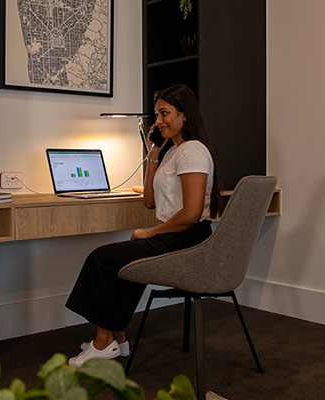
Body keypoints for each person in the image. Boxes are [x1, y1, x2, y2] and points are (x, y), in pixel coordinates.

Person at [66, 84, 221, 367]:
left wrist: (151, 232)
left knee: (102, 259)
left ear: (185, 116)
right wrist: (153, 154)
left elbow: (191, 213)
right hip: (176, 235)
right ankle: (118, 338)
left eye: (165, 113)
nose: (158, 121)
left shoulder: (193, 152)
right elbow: (149, 202)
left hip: (188, 240)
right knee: (124, 259)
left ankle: (104, 341)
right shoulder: (174, 151)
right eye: (157, 114)